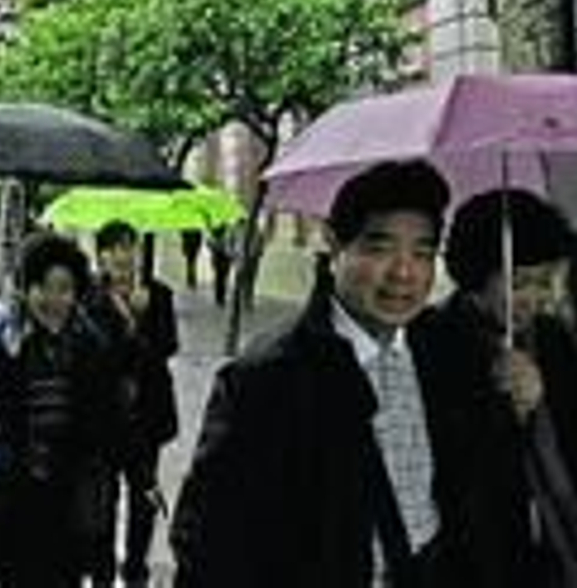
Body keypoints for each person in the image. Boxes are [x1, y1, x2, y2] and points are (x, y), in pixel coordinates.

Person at [170, 160, 471, 587]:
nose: (403, 273)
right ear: (334, 245)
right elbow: (208, 542)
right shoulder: (268, 378)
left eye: (422, 253)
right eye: (379, 248)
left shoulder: (443, 351)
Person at [438, 189, 577, 588]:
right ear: (476, 275)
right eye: (518, 282)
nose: (534, 298)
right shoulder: (437, 344)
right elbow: (454, 476)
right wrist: (508, 411)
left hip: (576, 547)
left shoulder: (552, 340)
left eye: (545, 281)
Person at [0, 232, 120, 587]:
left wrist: (141, 473)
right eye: (43, 287)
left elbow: (112, 414)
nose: (53, 299)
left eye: (64, 288)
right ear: (25, 288)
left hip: (68, 494)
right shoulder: (6, 338)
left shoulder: (91, 343)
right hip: (15, 492)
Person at [85, 221, 179, 588]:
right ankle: (102, 574)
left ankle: (136, 570)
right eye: (115, 248)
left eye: (130, 247)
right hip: (106, 419)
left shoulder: (159, 295)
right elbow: (96, 359)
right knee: (103, 501)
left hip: (147, 419)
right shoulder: (89, 299)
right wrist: (127, 323)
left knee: (143, 500)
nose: (124, 256)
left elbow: (168, 348)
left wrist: (141, 321)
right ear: (102, 256)